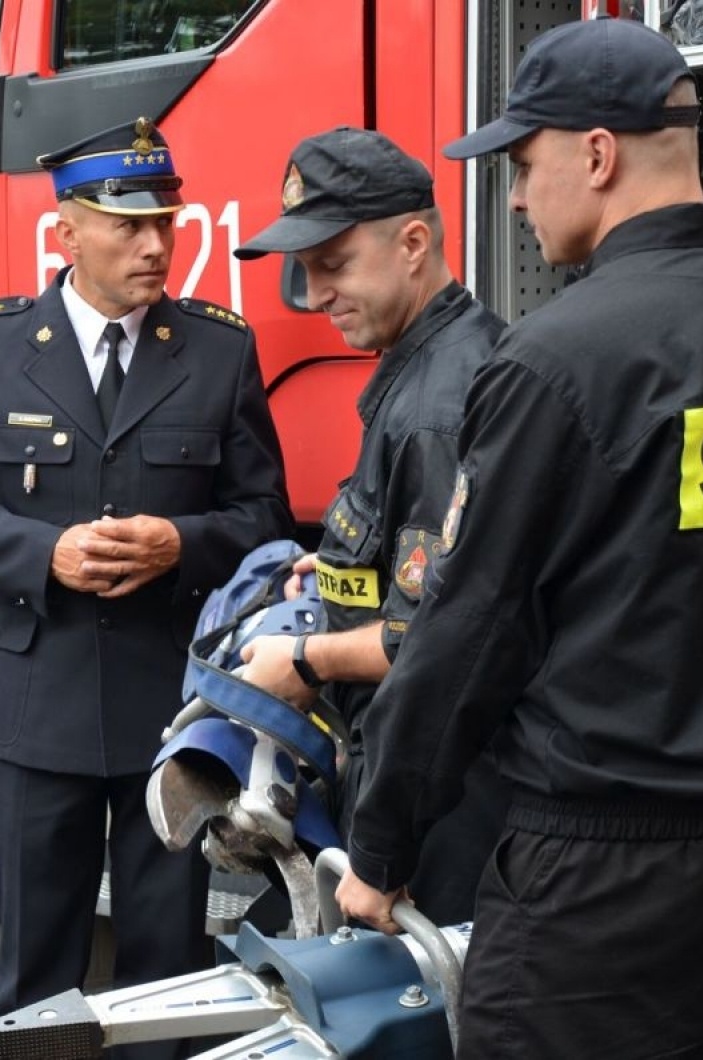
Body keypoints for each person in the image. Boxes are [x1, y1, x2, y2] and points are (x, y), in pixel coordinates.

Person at [336, 18, 703, 1058]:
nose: (509, 196)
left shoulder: (557, 358)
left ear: (596, 155)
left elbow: (466, 632)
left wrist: (381, 841)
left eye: (522, 163)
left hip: (606, 874)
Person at [0, 117, 291, 1055]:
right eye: (130, 226)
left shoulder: (216, 351)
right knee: (33, 978)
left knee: (169, 976)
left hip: (173, 715)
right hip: (42, 712)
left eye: (166, 220)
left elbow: (264, 522)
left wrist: (180, 545)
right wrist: (45, 556)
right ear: (67, 234)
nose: (156, 244)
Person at [228, 127, 510, 926]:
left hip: (445, 806)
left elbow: (430, 639)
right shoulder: (440, 358)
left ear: (413, 242)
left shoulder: (435, 407)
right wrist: (349, 569)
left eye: (333, 265)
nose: (315, 295)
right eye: (306, 271)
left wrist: (305, 662)